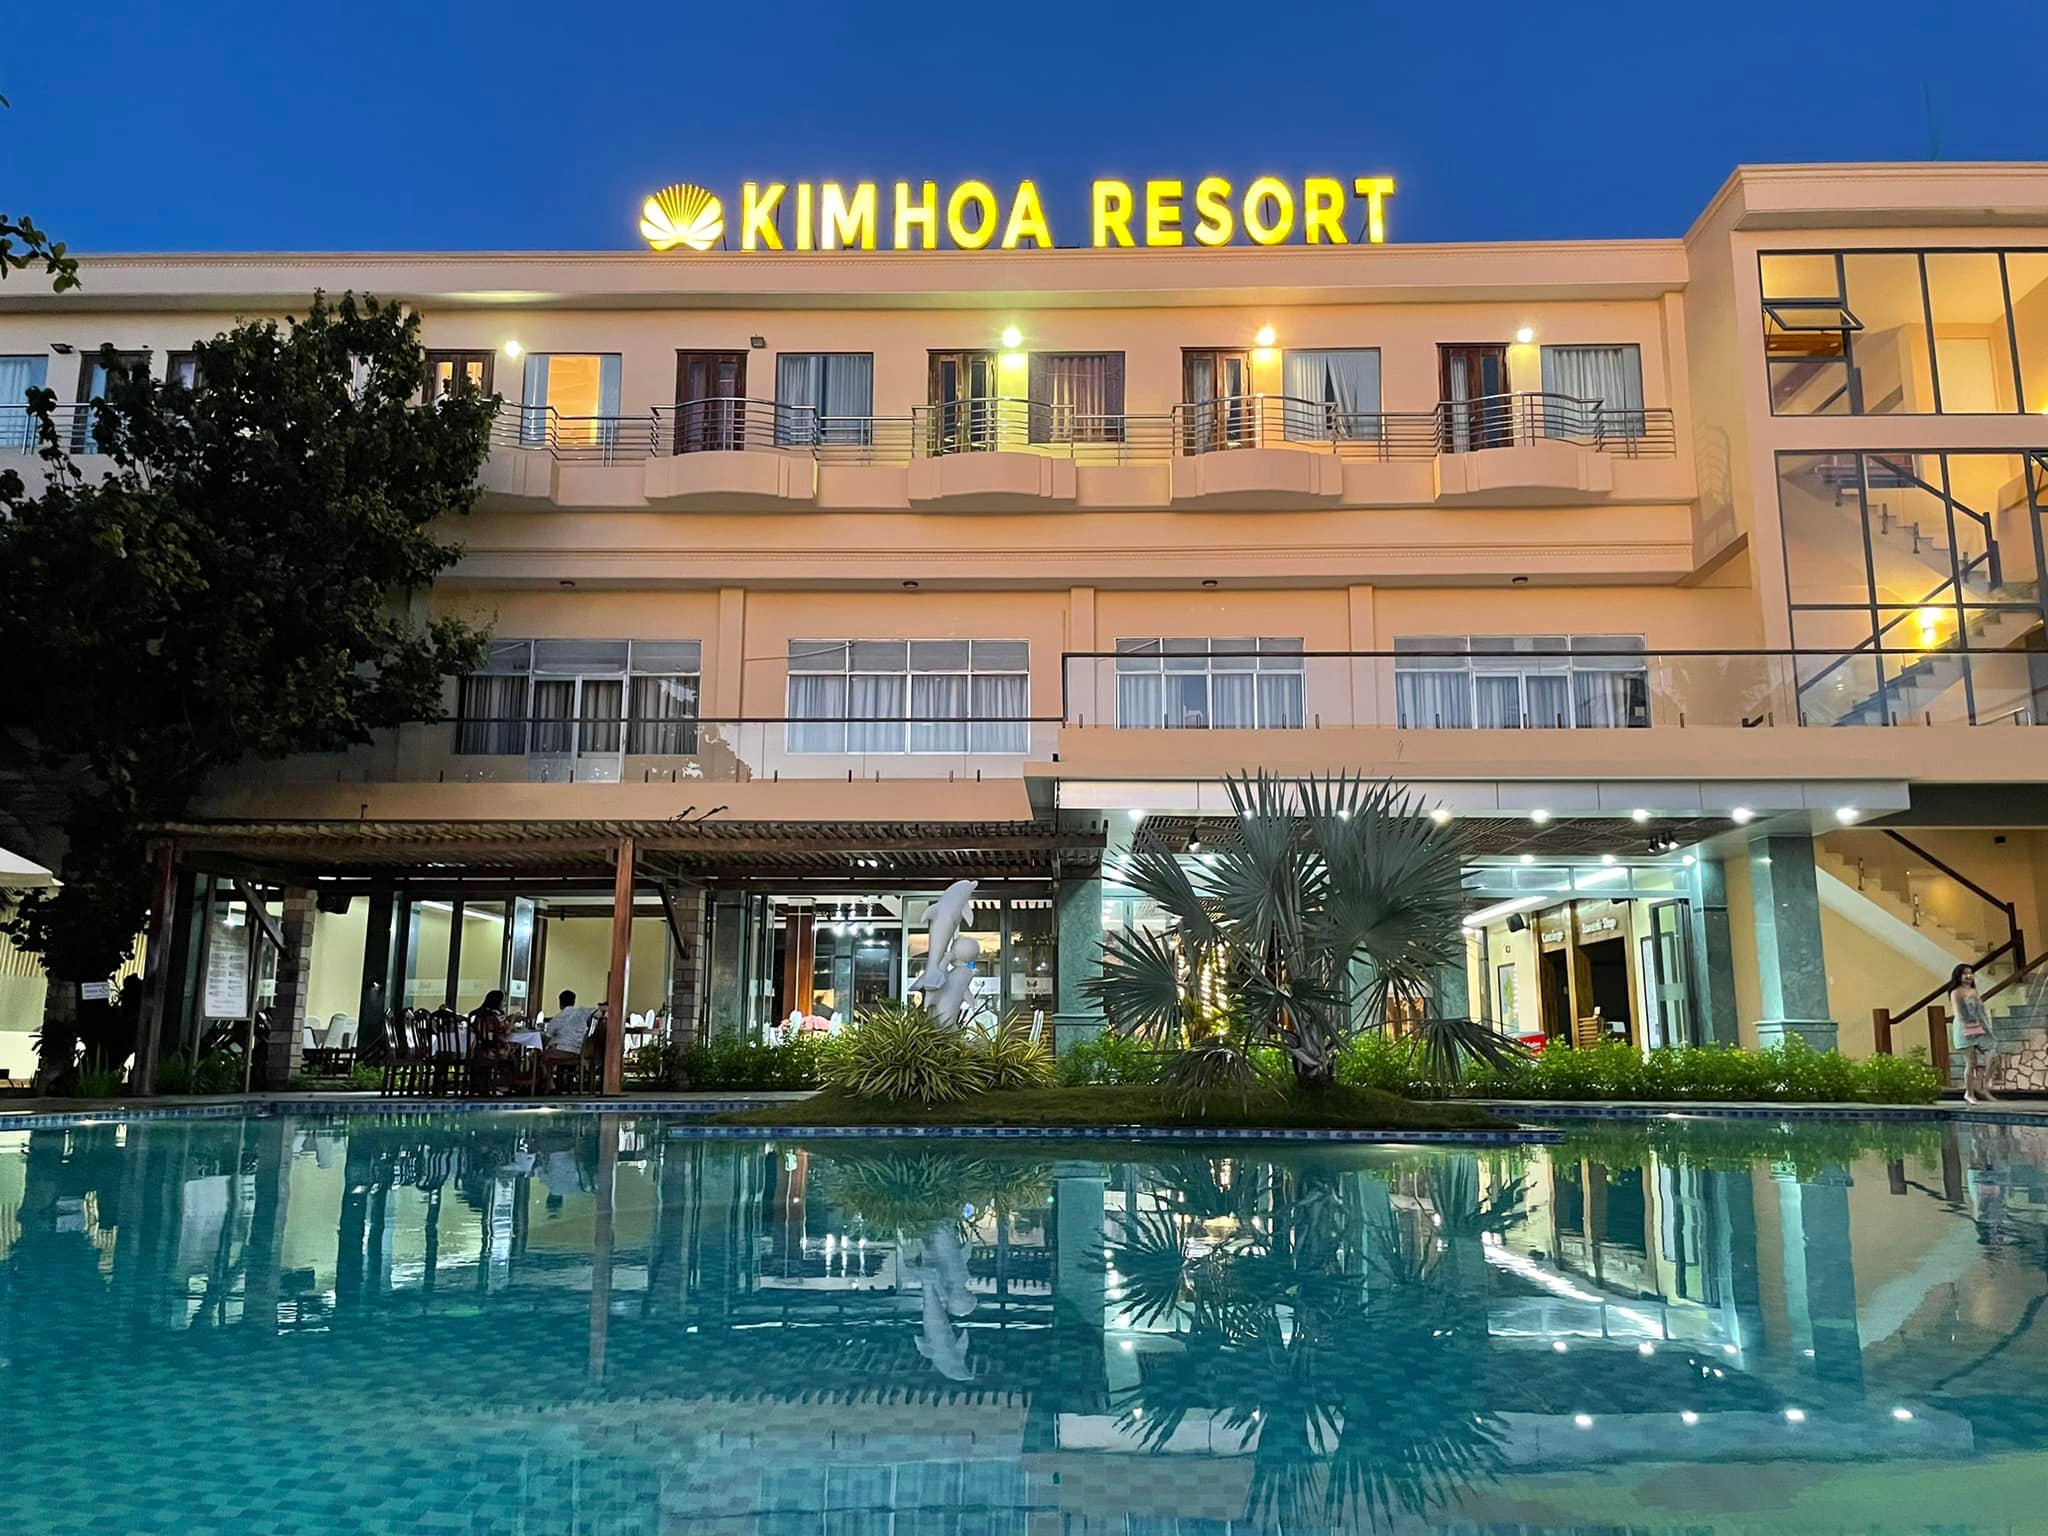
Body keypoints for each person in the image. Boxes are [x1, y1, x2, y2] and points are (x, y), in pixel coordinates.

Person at [1948, 963, 1997, 1104]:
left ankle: (1985, 1085)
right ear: (1959, 976)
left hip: (1978, 1026)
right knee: (1971, 1062)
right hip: (1964, 1028)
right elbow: (1958, 1013)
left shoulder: (1974, 991)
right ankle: (1969, 1093)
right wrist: (1967, 1029)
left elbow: (1980, 1012)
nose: (1968, 976)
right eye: (1965, 973)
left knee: (1993, 1055)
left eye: (1970, 973)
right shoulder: (1956, 992)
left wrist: (1986, 1028)